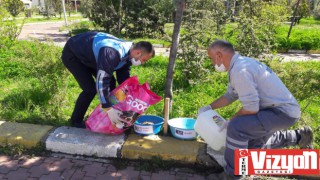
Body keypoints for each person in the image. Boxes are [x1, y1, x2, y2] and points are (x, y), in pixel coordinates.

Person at [198, 40, 313, 179]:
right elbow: (230, 96)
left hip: (282, 113)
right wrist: (209, 107)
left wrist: (231, 120)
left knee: (236, 128)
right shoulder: (240, 64)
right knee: (251, 146)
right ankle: (299, 137)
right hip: (277, 111)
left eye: (211, 58)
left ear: (219, 55)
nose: (212, 63)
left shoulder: (240, 70)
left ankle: (232, 175)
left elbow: (251, 108)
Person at [61, 31, 155, 128]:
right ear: (138, 53)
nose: (143, 63)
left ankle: (106, 117)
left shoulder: (130, 52)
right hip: (74, 54)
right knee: (90, 89)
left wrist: (133, 96)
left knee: (111, 83)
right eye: (144, 60)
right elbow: (102, 81)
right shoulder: (112, 53)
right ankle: (76, 121)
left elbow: (123, 76)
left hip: (91, 54)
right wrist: (107, 107)